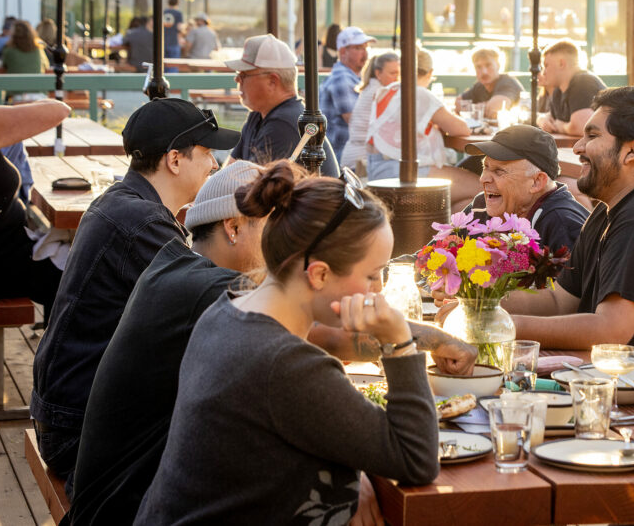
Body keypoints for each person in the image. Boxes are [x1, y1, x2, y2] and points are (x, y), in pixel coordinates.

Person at [71, 161, 476, 525]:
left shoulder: (229, 313)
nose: (379, 288)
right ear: (317, 275)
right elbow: (416, 458)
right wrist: (400, 345)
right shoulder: (283, 362)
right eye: (373, 274)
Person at [30, 98, 240, 490]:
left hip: (63, 415)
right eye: (207, 152)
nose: (214, 165)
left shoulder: (123, 203)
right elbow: (221, 306)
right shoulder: (141, 222)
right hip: (77, 436)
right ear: (175, 159)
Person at [441, 87, 634, 377]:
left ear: (632, 150)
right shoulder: (613, 209)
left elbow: (610, 331)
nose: (578, 147)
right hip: (619, 380)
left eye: (592, 136)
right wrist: (477, 303)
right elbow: (561, 300)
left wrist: (497, 323)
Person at [0, 100, 70, 325]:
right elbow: (59, 110)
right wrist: (6, 113)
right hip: (4, 268)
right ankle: (67, 356)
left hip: (9, 255)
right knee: (88, 272)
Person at [366, 49, 481, 211]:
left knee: (466, 202)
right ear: (430, 73)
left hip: (377, 170)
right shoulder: (419, 92)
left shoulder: (388, 90)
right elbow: (461, 128)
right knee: (484, 190)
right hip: (402, 171)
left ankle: (447, 233)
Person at [225, 33, 339, 176]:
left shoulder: (283, 123)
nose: (237, 79)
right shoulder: (259, 114)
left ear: (272, 81)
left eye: (244, 75)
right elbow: (227, 177)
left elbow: (248, 188)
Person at [462, 124, 588, 254]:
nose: (483, 178)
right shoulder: (480, 206)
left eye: (499, 171)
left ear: (536, 182)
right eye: (485, 167)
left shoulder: (562, 225)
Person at [320, 25, 375, 158]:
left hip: (348, 151)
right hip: (340, 155)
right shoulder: (342, 78)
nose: (365, 53)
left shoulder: (352, 77)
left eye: (366, 47)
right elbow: (356, 121)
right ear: (343, 52)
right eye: (358, 48)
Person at [339, 51, 399, 171]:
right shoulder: (379, 92)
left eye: (399, 73)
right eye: (393, 73)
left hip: (353, 157)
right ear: (378, 73)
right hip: (361, 161)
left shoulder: (372, 88)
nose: (397, 77)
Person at [536, 38, 605, 137]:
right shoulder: (558, 92)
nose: (543, 72)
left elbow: (583, 127)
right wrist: (542, 119)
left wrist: (562, 127)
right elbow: (552, 117)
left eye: (546, 66)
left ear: (561, 63)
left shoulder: (583, 82)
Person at [458, 45, 523, 119]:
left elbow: (495, 109)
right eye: (478, 67)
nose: (484, 72)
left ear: (498, 65)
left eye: (488, 65)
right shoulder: (479, 86)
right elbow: (458, 103)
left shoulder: (507, 82)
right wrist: (482, 107)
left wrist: (472, 108)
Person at [162, 0, 184, 66]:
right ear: (177, 3)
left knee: (162, 66)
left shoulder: (163, 12)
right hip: (174, 42)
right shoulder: (178, 13)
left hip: (163, 41)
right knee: (173, 65)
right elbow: (179, 28)